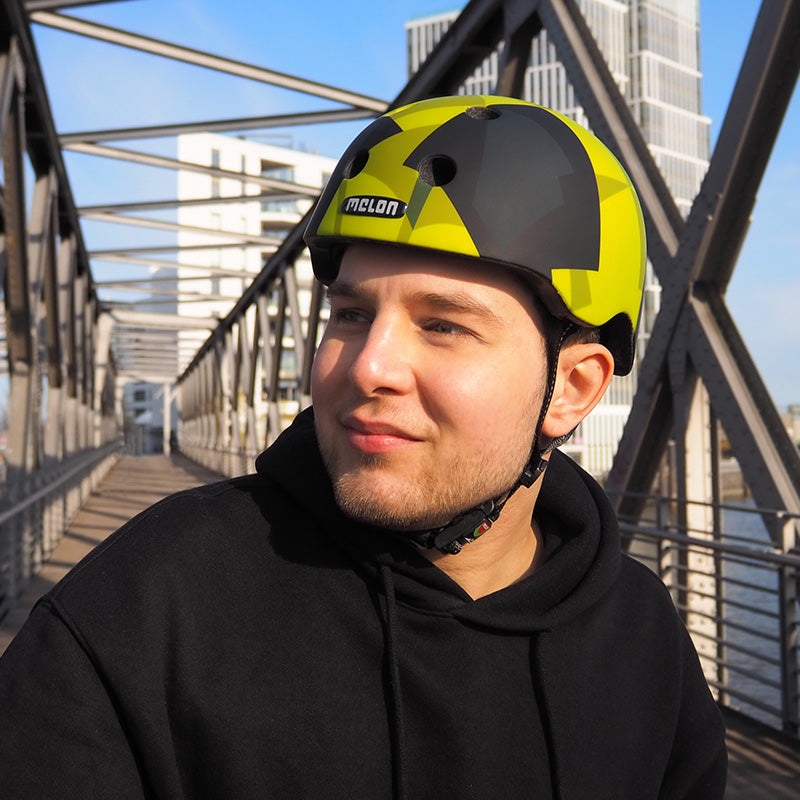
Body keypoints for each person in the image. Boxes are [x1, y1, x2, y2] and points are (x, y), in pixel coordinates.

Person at [0, 95, 726, 799]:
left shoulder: (642, 645)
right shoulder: (142, 608)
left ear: (571, 388)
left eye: (442, 325)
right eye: (350, 314)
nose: (368, 367)